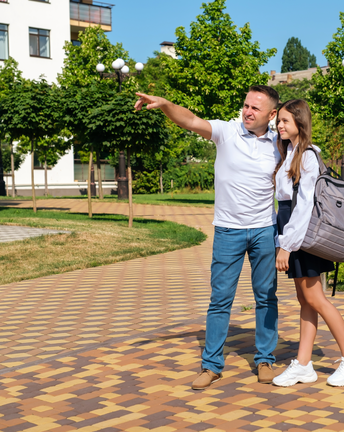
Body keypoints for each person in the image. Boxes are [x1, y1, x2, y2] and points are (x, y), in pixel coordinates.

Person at [134, 86, 281, 390]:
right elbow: (190, 121)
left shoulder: (281, 142)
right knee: (220, 299)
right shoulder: (227, 132)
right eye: (246, 105)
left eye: (255, 108)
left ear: (272, 114)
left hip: (265, 229)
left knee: (266, 297)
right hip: (229, 230)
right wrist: (165, 104)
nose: (248, 111)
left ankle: (265, 358)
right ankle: (211, 365)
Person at [271, 99, 344, 387]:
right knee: (305, 299)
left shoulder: (308, 156)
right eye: (278, 120)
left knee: (315, 298)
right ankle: (303, 364)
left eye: (285, 121)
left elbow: (304, 206)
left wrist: (286, 245)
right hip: (292, 228)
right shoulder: (288, 152)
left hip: (302, 232)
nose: (280, 125)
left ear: (300, 123)